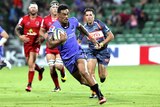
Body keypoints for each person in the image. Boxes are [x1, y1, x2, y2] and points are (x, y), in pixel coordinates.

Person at [47, 4, 106, 105]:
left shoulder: (73, 20)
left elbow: (81, 27)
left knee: (84, 72)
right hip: (67, 59)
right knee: (82, 81)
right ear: (58, 15)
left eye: (67, 14)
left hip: (78, 52)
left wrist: (91, 37)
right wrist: (60, 40)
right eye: (64, 14)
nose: (66, 16)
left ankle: (100, 95)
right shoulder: (54, 28)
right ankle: (95, 86)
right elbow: (49, 44)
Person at [78, 8, 114, 98]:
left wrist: (101, 44)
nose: (89, 17)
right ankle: (94, 92)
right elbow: (78, 41)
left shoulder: (99, 24)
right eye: (87, 15)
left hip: (103, 51)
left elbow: (111, 36)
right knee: (90, 72)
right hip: (91, 51)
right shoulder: (83, 28)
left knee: (102, 76)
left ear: (94, 16)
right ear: (84, 17)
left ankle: (103, 76)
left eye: (91, 15)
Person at [14, 2, 44, 92]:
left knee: (31, 64)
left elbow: (45, 31)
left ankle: (29, 85)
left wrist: (42, 38)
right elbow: (16, 29)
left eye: (35, 7)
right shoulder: (23, 19)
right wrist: (20, 36)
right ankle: (40, 70)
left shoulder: (41, 20)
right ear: (29, 9)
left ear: (37, 9)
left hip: (35, 44)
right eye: (31, 7)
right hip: (27, 43)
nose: (33, 9)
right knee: (29, 62)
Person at [39, 0, 66, 92]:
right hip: (50, 47)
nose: (55, 9)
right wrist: (45, 35)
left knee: (58, 66)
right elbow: (41, 31)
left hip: (59, 47)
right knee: (51, 68)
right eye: (53, 7)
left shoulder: (62, 19)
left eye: (56, 7)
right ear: (50, 9)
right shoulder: (45, 19)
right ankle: (57, 87)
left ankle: (63, 72)